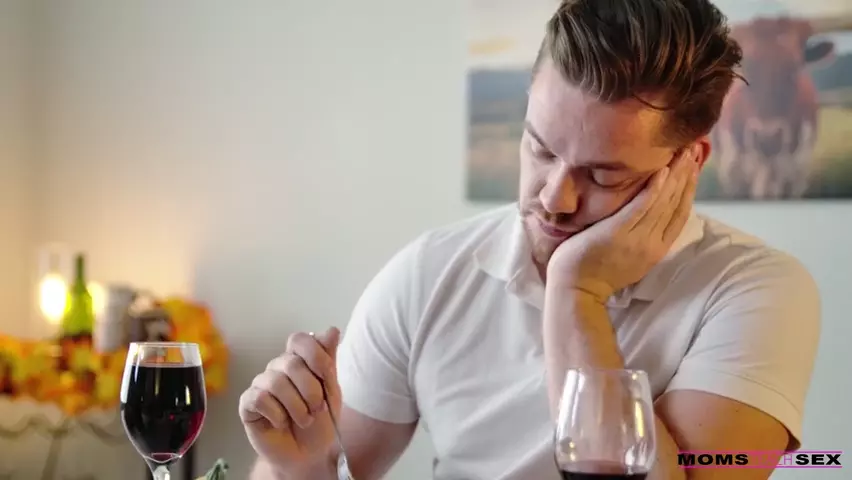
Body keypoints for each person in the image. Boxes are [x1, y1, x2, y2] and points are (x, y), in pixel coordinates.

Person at [240, 0, 821, 479]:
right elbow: (315, 467)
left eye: (602, 176)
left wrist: (576, 293)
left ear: (688, 163)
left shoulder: (756, 291)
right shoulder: (431, 272)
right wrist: (301, 468)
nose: (554, 198)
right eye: (540, 149)